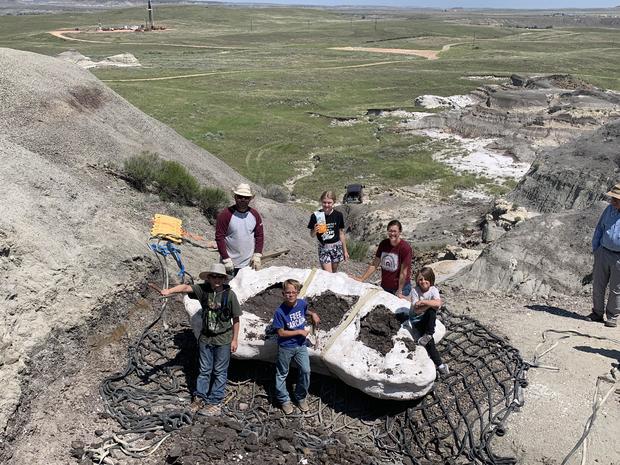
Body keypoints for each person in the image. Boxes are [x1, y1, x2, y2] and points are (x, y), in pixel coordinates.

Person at [159, 263, 241, 415]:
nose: (216, 279)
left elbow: (236, 319)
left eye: (220, 277)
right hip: (206, 338)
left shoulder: (230, 295)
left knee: (220, 371)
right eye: (214, 276)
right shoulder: (203, 290)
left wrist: (235, 340)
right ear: (209, 278)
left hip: (223, 339)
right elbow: (184, 288)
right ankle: (199, 398)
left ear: (224, 279)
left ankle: (215, 402)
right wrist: (168, 291)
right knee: (204, 370)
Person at [272, 279, 321, 414]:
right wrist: (299, 331)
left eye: (294, 292)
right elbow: (281, 333)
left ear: (298, 293)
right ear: (283, 293)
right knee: (282, 373)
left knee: (306, 370)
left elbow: (305, 311)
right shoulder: (280, 312)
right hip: (286, 347)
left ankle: (300, 397)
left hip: (300, 345)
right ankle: (284, 400)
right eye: (288, 292)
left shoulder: (301, 303)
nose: (291, 295)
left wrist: (313, 314)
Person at [354, 219, 413, 298]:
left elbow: (403, 272)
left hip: (401, 288)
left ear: (400, 231)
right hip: (385, 286)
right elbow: (375, 264)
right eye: (390, 231)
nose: (392, 234)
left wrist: (399, 291)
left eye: (395, 231)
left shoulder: (405, 248)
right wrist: (361, 279)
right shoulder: (383, 244)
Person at [408, 267, 449, 376]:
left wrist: (425, 302)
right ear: (417, 280)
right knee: (429, 341)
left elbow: (438, 303)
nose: (423, 282)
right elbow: (416, 309)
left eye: (426, 279)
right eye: (420, 279)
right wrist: (431, 303)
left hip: (427, 318)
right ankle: (440, 365)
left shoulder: (433, 289)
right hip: (417, 320)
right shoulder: (415, 291)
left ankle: (429, 335)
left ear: (431, 280)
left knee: (431, 312)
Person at [216, 183, 264, 275]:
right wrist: (226, 259)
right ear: (235, 197)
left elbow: (259, 235)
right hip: (230, 264)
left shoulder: (255, 215)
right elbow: (219, 237)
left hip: (248, 264)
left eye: (246, 197)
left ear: (250, 199)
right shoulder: (226, 214)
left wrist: (257, 255)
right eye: (240, 197)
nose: (243, 199)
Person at [590, 183, 620, 328]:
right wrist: (596, 248)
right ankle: (597, 312)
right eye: (612, 198)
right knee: (598, 284)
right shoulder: (609, 210)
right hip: (603, 252)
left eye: (615, 199)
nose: (612, 201)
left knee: (616, 289)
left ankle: (612, 316)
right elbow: (599, 228)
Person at [307, 191, 349, 272]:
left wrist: (345, 251)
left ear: (334, 202)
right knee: (328, 274)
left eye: (329, 203)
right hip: (324, 247)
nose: (326, 205)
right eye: (324, 202)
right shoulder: (316, 215)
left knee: (333, 271)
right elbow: (312, 235)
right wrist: (315, 230)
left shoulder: (338, 215)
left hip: (336, 247)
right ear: (321, 201)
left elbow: (341, 233)